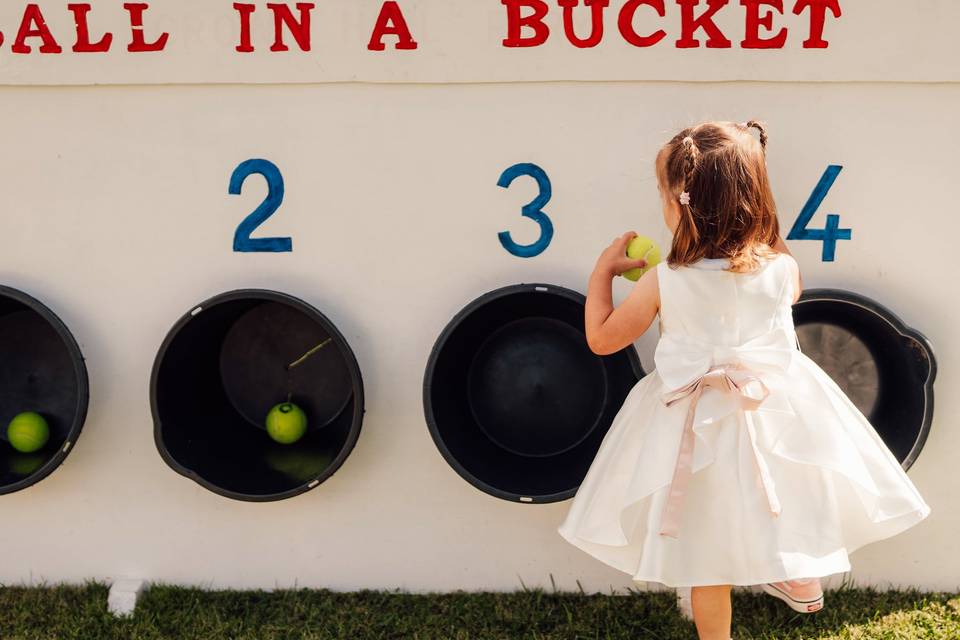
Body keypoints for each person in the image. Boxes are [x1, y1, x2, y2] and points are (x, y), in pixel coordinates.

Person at [556, 121, 931, 640]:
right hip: (771, 411)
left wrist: (603, 274)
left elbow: (601, 339)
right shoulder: (780, 270)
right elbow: (789, 283)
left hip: (691, 419)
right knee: (783, 489)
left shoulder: (666, 280)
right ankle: (794, 568)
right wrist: (760, 206)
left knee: (702, 550)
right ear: (754, 201)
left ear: (678, 206)